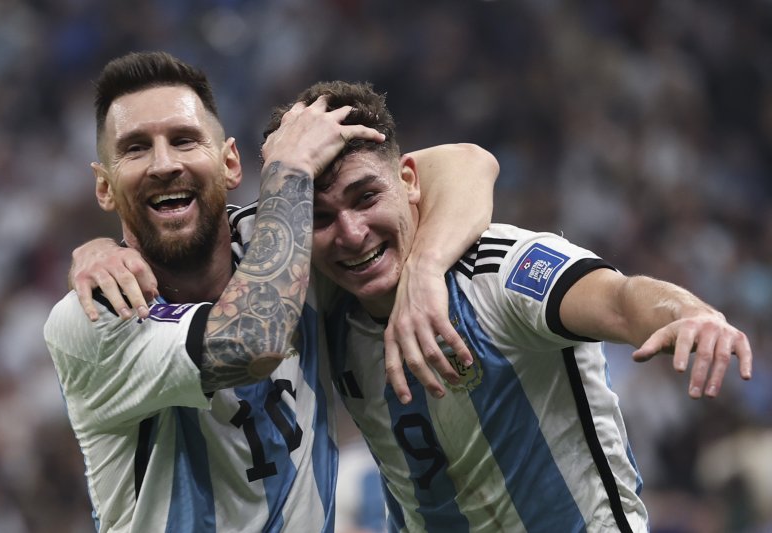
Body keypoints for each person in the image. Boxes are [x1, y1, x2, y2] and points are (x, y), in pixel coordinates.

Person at [261, 81, 753, 532]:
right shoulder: (324, 306)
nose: (351, 233)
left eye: (366, 197)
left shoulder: (499, 269)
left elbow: (619, 299)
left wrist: (687, 313)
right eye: (320, 218)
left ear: (409, 180)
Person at [46, 52, 499, 532]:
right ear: (104, 187)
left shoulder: (288, 240)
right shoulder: (94, 318)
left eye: (184, 140)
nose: (164, 164)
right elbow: (251, 341)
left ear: (230, 163)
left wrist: (426, 268)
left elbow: (464, 164)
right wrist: (289, 168)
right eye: (135, 148)